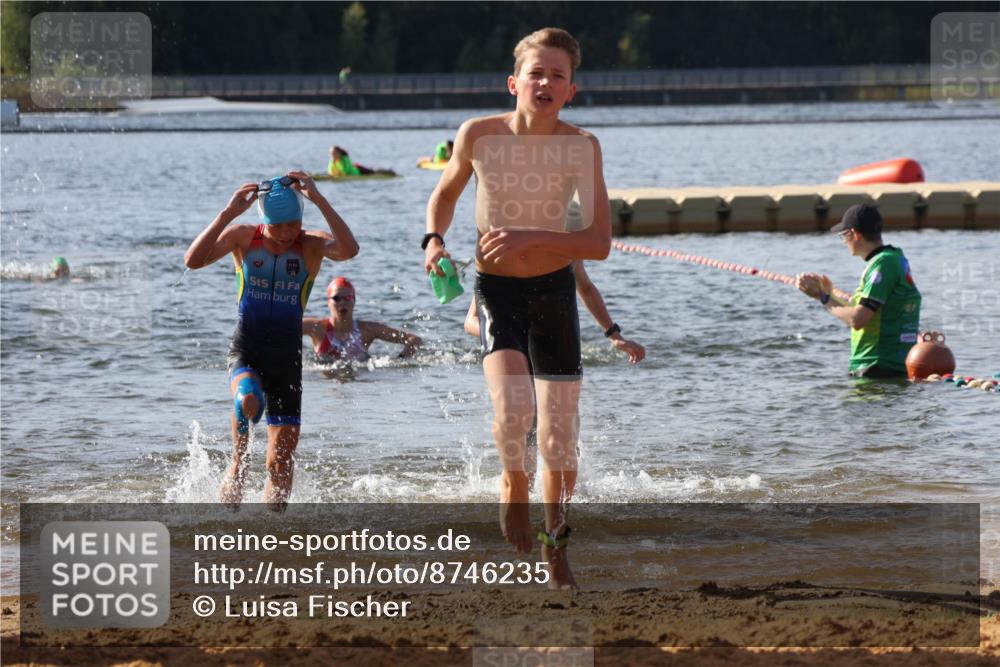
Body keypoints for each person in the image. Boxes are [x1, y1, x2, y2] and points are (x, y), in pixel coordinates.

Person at [423, 27, 611, 588]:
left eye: (558, 76)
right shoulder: (479, 135)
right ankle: (513, 485)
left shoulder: (582, 146)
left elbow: (598, 242)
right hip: (497, 292)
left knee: (558, 440)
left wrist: (533, 236)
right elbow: (445, 194)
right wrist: (434, 241)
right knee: (513, 410)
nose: (545, 83)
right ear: (514, 83)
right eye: (536, 73)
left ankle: (557, 545)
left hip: (554, 293)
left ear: (571, 90)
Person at [184, 171, 359, 510]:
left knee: (279, 464)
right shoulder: (243, 238)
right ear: (264, 221)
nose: (286, 233)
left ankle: (274, 531)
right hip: (247, 349)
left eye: (293, 223)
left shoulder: (311, 244)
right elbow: (192, 261)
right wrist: (227, 214)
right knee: (249, 401)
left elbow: (349, 250)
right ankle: (238, 464)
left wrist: (319, 199)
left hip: (286, 360)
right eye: (277, 226)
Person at [796, 203, 921, 378]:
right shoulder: (895, 257)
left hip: (877, 367)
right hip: (890, 367)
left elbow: (858, 319)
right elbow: (866, 309)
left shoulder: (882, 264)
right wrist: (830, 292)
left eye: (843, 236)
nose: (844, 242)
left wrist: (822, 297)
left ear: (854, 234)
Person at [464, 261, 645, 364]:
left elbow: (585, 288)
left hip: (550, 341)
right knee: (520, 412)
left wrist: (614, 336)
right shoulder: (501, 254)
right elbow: (471, 321)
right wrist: (509, 337)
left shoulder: (561, 242)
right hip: (509, 349)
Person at [304, 276, 422, 361]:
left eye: (347, 298)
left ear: (354, 301)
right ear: (328, 302)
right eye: (337, 298)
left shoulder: (367, 330)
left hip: (358, 382)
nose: (342, 302)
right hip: (327, 384)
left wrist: (399, 362)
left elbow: (414, 340)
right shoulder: (317, 329)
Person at [328, 146, 396, 178]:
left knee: (374, 171)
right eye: (331, 154)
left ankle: (389, 171)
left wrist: (338, 174)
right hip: (352, 170)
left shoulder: (345, 159)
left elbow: (346, 171)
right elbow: (330, 172)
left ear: (339, 153)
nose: (332, 155)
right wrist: (333, 164)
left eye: (334, 153)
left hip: (359, 170)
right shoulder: (332, 161)